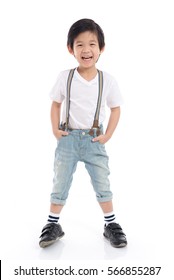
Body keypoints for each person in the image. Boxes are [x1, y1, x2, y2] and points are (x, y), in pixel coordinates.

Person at [39, 18, 127, 248]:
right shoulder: (65, 77)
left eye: (92, 44)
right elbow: (56, 103)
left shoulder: (107, 80)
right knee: (60, 181)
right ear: (71, 49)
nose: (86, 50)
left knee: (101, 181)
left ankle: (111, 224)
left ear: (101, 48)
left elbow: (116, 108)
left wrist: (107, 136)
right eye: (79, 44)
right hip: (68, 138)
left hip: (94, 139)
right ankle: (53, 223)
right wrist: (55, 129)